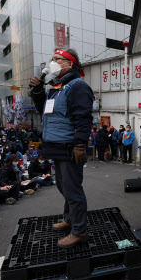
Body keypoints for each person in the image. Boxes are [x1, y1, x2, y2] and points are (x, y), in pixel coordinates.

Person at [29, 47, 93, 248]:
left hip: (69, 147)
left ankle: (79, 230)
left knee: (73, 190)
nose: (53, 62)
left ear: (69, 64)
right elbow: (44, 111)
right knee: (62, 186)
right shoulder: (56, 88)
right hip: (56, 146)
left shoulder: (78, 86)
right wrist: (38, 91)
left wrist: (80, 145)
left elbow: (83, 118)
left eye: (57, 59)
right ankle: (70, 219)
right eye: (52, 58)